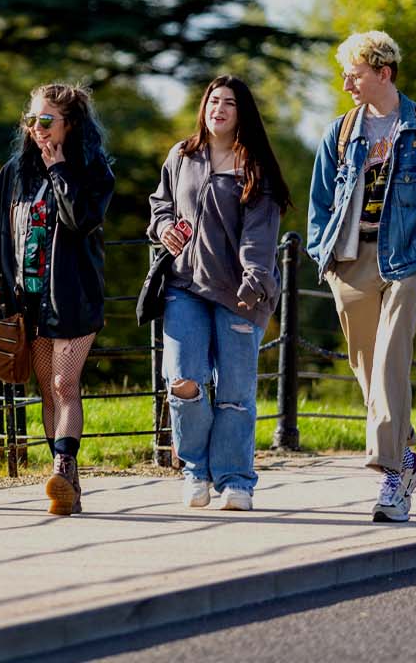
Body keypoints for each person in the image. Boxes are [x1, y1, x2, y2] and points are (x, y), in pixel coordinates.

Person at [307, 31, 416, 523]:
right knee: (366, 363)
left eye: (354, 75)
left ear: (384, 72)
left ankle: (392, 478)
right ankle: (406, 456)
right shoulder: (340, 131)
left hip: (407, 258)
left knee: (391, 357)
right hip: (351, 258)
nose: (346, 84)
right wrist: (326, 255)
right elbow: (319, 201)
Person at [148, 75, 292, 511]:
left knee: (234, 393)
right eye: (213, 101)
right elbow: (161, 204)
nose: (219, 109)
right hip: (185, 285)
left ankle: (236, 480)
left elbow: (260, 235)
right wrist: (164, 226)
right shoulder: (182, 155)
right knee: (183, 379)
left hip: (241, 294)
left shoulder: (255, 169)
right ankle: (196, 470)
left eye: (229, 103)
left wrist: (255, 278)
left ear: (241, 113)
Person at [0, 83, 114, 515]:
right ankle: (66, 484)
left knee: (63, 383)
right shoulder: (14, 173)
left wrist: (59, 171)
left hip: (73, 297)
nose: (36, 129)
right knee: (47, 392)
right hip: (28, 300)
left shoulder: (95, 172)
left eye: (45, 121)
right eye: (31, 120)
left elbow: (80, 221)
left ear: (69, 124)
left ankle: (62, 462)